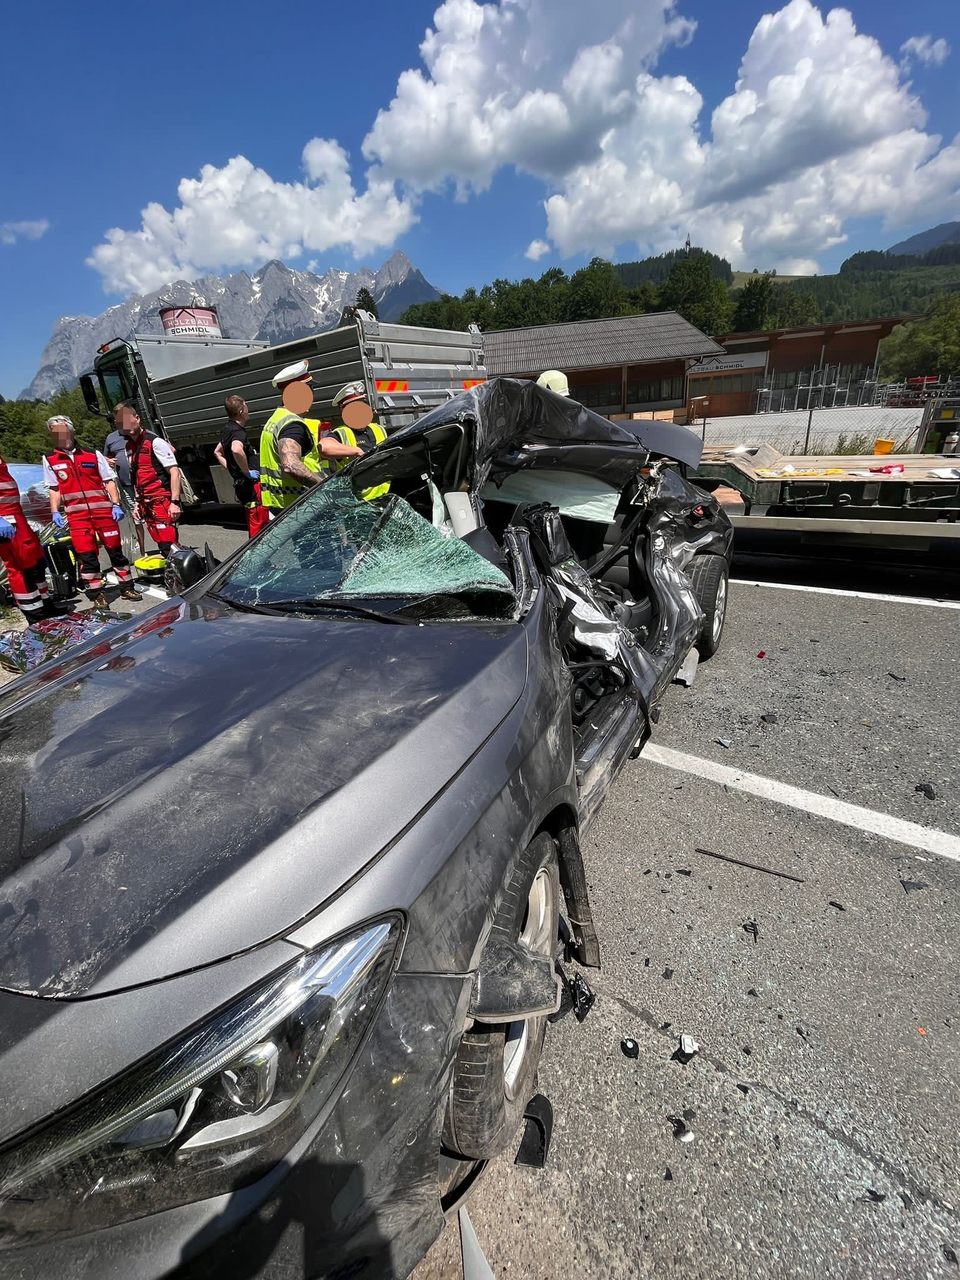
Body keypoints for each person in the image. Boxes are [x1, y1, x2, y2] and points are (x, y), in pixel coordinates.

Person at [43, 416, 142, 609]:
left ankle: (126, 588)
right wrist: (54, 511)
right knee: (87, 556)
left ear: (71, 432)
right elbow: (54, 488)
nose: (59, 436)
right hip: (77, 517)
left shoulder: (91, 454)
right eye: (54, 433)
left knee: (116, 551)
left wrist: (115, 504)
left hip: (104, 512)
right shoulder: (50, 459)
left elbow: (108, 480)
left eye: (61, 431)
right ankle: (97, 594)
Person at [258, 360, 362, 515]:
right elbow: (290, 465)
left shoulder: (275, 419)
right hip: (301, 507)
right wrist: (324, 487)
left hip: (281, 505)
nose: (313, 395)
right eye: (310, 389)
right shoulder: (292, 424)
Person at [115, 402, 182, 558]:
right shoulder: (129, 447)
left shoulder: (155, 442)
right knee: (161, 544)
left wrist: (175, 502)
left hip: (162, 501)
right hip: (146, 503)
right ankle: (173, 576)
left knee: (169, 544)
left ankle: (190, 576)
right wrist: (137, 504)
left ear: (137, 418)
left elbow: (174, 472)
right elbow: (137, 477)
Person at [0, 453, 62, 622]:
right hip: (6, 523)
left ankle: (46, 606)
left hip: (17, 518)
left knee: (37, 563)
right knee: (21, 569)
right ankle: (35, 617)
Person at [214, 395, 269, 538]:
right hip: (251, 487)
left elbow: (217, 452)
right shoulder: (238, 432)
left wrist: (234, 470)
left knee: (255, 522)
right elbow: (236, 449)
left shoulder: (227, 429)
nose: (248, 410)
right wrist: (246, 471)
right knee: (259, 525)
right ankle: (257, 557)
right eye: (246, 406)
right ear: (241, 412)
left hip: (242, 485)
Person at [329, 381, 389, 500]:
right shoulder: (342, 432)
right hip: (358, 502)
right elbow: (324, 447)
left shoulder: (378, 428)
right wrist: (355, 451)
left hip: (386, 495)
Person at [103, 422, 146, 555]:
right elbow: (104, 457)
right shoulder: (111, 438)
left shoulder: (140, 434)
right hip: (126, 484)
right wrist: (107, 461)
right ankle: (143, 551)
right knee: (136, 518)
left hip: (145, 483)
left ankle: (166, 547)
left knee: (155, 516)